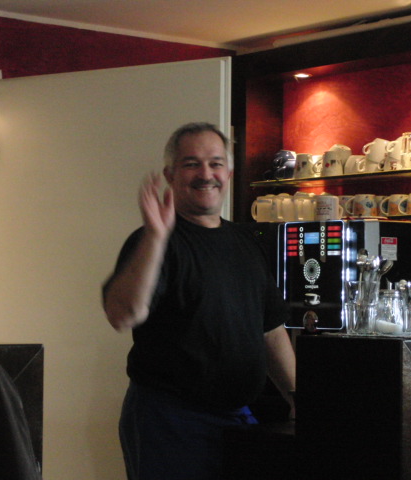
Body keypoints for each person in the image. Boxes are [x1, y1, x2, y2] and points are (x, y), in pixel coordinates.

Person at [102, 122, 296, 480]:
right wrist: (156, 237)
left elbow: (270, 330)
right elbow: (122, 314)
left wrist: (296, 397)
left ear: (229, 173)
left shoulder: (245, 243)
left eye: (215, 163)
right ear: (170, 175)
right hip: (170, 423)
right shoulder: (152, 242)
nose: (206, 174)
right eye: (191, 164)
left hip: (237, 418)